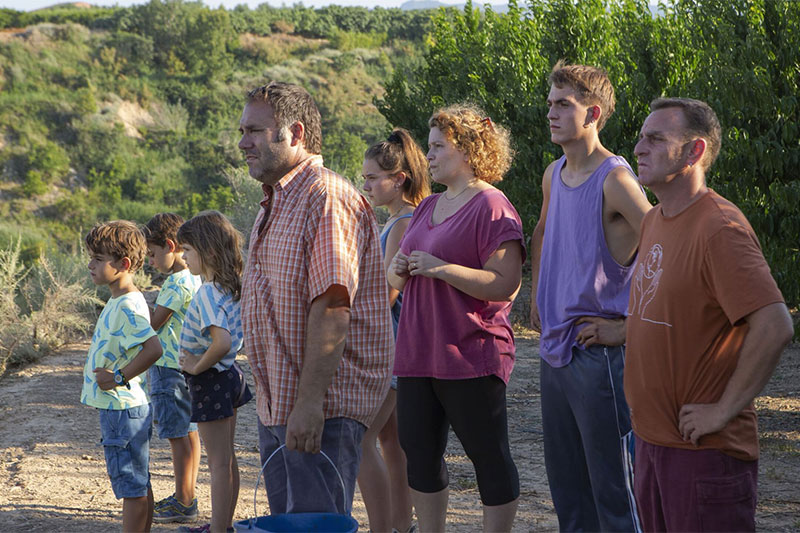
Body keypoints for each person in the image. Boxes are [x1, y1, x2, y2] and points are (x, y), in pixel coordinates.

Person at [625, 97, 793, 532]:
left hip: (703, 456)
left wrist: (722, 410)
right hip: (651, 444)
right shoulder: (654, 219)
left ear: (695, 151)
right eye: (642, 137)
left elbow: (774, 324)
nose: (639, 147)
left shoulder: (720, 228)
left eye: (656, 138)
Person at [238, 82, 393, 515]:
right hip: (280, 406)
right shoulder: (275, 202)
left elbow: (332, 307)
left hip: (319, 408)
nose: (242, 142)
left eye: (254, 130)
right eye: (243, 131)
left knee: (315, 525)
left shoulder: (326, 197)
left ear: (296, 132)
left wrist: (308, 404)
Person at [387, 104, 525, 533]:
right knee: (419, 452)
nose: (427, 155)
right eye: (429, 146)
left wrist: (439, 267)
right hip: (417, 351)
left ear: (466, 149)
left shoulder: (492, 204)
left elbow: (505, 283)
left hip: (471, 352)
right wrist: (401, 269)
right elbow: (398, 271)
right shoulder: (427, 207)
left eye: (437, 146)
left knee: (488, 454)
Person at [529, 61, 651, 532]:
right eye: (550, 105)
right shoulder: (552, 173)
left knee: (615, 494)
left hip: (599, 355)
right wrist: (539, 295)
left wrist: (628, 327)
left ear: (593, 112)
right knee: (569, 494)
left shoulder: (616, 180)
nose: (552, 114)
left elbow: (668, 249)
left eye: (564, 105)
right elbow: (541, 230)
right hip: (555, 351)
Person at [359, 128, 430, 533]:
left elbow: (387, 293)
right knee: (393, 445)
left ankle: (383, 528)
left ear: (398, 178)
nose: (365, 186)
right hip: (396, 348)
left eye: (372, 178)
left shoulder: (403, 223)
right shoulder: (399, 220)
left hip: (389, 350)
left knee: (358, 442)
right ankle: (401, 527)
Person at [81, 220, 163, 533]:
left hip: (122, 409)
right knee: (138, 481)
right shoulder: (122, 299)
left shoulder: (128, 304)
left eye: (98, 259)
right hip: (125, 408)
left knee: (131, 487)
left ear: (123, 264)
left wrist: (117, 377)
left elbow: (152, 348)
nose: (90, 264)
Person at [175, 211, 254, 533]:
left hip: (212, 378)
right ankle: (224, 525)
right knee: (227, 459)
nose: (183, 257)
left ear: (207, 252)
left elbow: (220, 342)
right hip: (228, 376)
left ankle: (220, 529)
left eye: (188, 250)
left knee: (219, 463)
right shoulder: (229, 286)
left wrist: (195, 365)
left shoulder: (208, 291)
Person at [142, 212, 203, 524]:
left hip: (168, 368)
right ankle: (187, 496)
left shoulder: (175, 283)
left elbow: (153, 325)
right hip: (189, 366)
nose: (151, 262)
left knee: (177, 437)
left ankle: (183, 500)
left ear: (170, 246)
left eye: (152, 254)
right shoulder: (196, 275)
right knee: (190, 434)